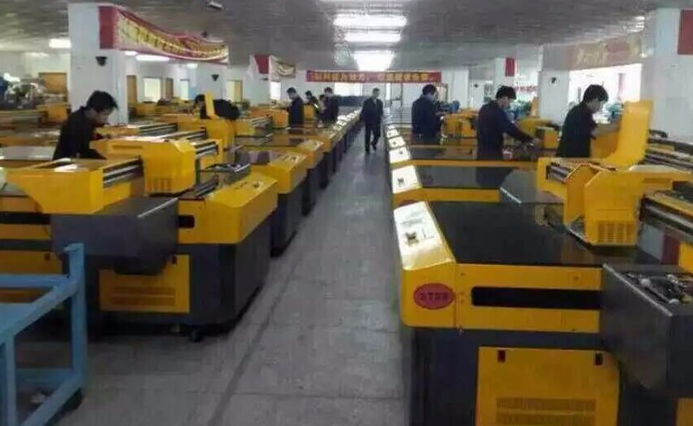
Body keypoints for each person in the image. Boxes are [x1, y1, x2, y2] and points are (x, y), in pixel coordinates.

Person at [557, 84, 619, 158]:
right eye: (602, 104)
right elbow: (594, 131)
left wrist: (612, 124)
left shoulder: (579, 110)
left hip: (569, 157)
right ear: (596, 100)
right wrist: (616, 126)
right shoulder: (582, 113)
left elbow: (595, 127)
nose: (601, 108)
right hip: (571, 158)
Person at [52, 90, 118, 160]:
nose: (106, 119)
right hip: (67, 163)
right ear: (93, 111)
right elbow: (80, 152)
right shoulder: (76, 122)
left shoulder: (94, 122)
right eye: (105, 114)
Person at [476, 86, 535, 160]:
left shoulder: (484, 108)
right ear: (505, 98)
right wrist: (529, 139)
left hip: (482, 150)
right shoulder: (497, 112)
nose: (509, 105)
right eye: (510, 101)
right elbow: (510, 129)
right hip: (492, 152)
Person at [361, 88, 384, 153]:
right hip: (368, 121)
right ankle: (367, 149)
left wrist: (382, 117)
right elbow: (363, 111)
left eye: (378, 94)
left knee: (377, 135)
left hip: (377, 121)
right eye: (376, 93)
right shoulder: (366, 102)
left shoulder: (380, 102)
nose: (377, 95)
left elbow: (381, 111)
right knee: (367, 136)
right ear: (373, 93)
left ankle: (374, 143)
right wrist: (363, 120)